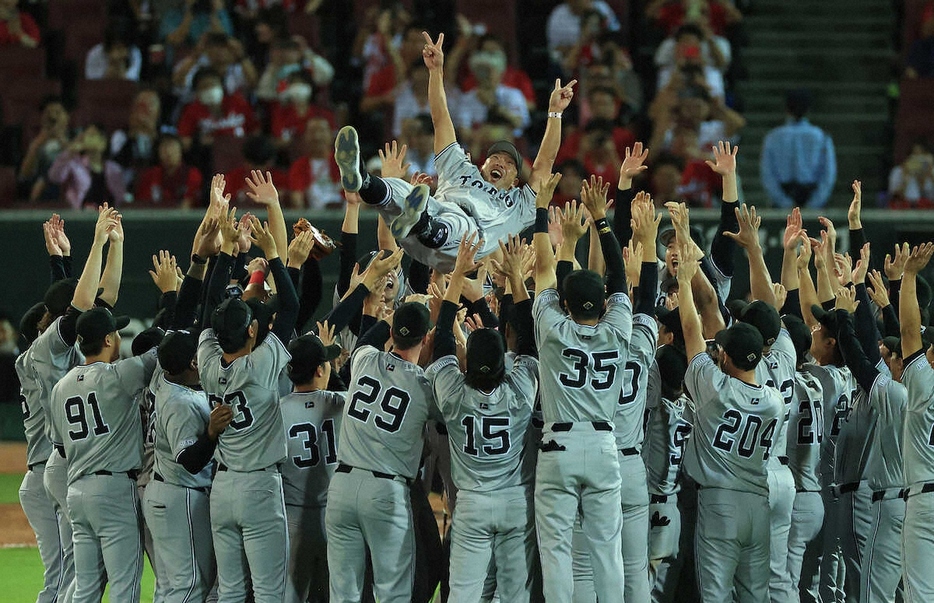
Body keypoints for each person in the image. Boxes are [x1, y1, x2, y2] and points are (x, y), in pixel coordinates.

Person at [334, 32, 576, 272]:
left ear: (516, 179)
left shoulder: (520, 205)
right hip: (417, 228)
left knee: (458, 223)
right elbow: (441, 119)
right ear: (482, 164)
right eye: (496, 157)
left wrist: (555, 113)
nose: (500, 162)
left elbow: (545, 162)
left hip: (462, 246)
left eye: (509, 163)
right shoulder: (461, 169)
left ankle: (421, 222)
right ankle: (361, 179)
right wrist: (436, 71)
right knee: (401, 189)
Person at [197, 172, 299, 602]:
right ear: (253, 332)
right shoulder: (260, 365)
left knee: (232, 590)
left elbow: (207, 309)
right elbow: (291, 306)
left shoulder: (205, 361)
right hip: (258, 485)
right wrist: (274, 256)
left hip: (222, 488)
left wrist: (224, 252)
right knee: (271, 589)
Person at [531, 175, 630, 603]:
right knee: (608, 551)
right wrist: (601, 222)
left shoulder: (552, 328)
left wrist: (562, 237)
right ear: (604, 302)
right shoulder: (619, 326)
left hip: (559, 446)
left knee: (556, 553)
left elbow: (546, 279)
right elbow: (622, 281)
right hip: (606, 443)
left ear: (566, 305)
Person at [426, 235, 538, 602]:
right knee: (514, 596)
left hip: (472, 502)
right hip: (513, 501)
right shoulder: (520, 389)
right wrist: (516, 279)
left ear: (467, 361)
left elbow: (442, 336)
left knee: (463, 594)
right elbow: (527, 341)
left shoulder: (454, 394)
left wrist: (457, 274)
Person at [676, 232, 784, 603]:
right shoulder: (774, 400)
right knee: (756, 595)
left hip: (720, 501)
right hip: (759, 502)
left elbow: (692, 330)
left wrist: (683, 280)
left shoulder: (715, 389)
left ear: (725, 355)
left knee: (716, 595)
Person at [325, 294, 437, 602]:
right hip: (386, 492)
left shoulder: (364, 360)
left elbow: (366, 339)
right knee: (392, 592)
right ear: (426, 337)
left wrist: (389, 317)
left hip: (343, 486)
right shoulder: (426, 387)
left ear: (392, 333)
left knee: (343, 593)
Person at [145, 329, 232, 602]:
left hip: (168, 493)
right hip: (179, 495)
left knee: (175, 585)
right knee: (191, 585)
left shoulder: (165, 378)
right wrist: (211, 434)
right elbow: (189, 462)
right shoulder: (179, 402)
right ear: (193, 363)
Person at [279, 325, 345, 603]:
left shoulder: (276, 410)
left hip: (291, 517)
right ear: (320, 370)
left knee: (290, 596)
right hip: (333, 517)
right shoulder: (341, 402)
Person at [897, 242, 934, 601]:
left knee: (920, 595)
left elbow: (910, 331)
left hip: (924, 501)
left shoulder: (925, 381)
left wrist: (908, 276)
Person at [760, 90, 837, 209]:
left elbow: (768, 174)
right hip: (812, 196)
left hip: (783, 198)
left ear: (786, 109)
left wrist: (784, 203)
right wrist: (814, 203)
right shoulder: (821, 136)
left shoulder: (773, 137)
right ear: (808, 110)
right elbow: (828, 175)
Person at [47, 124, 127, 209]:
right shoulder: (74, 164)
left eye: (93, 135)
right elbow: (55, 177)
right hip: (80, 216)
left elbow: (120, 197)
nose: (88, 138)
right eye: (86, 135)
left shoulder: (114, 169)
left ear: (103, 142)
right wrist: (70, 152)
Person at [134, 134, 204, 207]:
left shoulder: (193, 174)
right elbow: (142, 205)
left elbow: (187, 205)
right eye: (164, 149)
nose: (168, 153)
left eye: (172, 148)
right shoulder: (150, 175)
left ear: (181, 151)